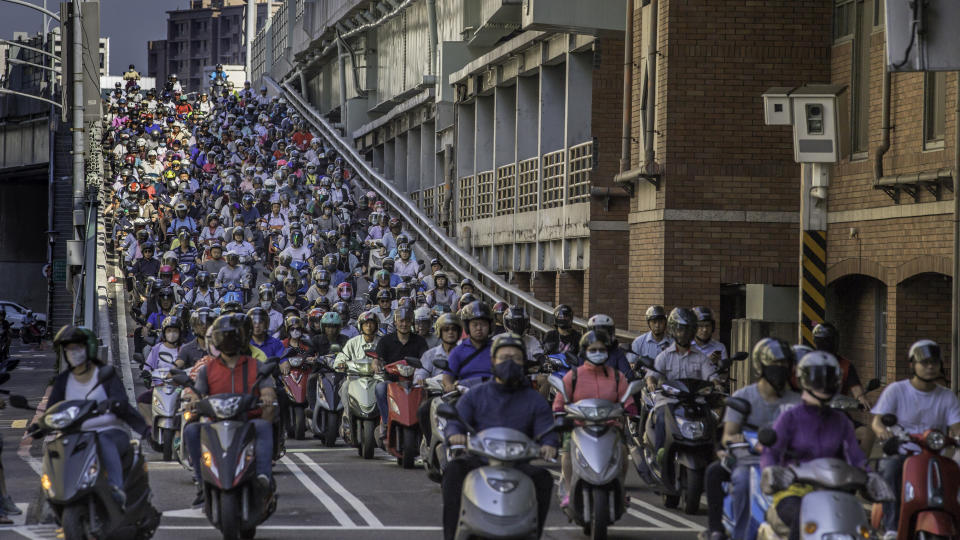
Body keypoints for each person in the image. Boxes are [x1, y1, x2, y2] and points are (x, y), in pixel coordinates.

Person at [442, 333, 558, 540]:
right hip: (480, 460)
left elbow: (547, 427)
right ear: (493, 361)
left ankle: (533, 533)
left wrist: (549, 445)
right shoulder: (475, 394)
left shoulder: (535, 400)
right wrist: (455, 435)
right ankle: (452, 535)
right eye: (504, 358)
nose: (510, 363)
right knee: (453, 471)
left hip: (518, 464)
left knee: (544, 479)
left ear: (524, 362)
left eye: (516, 358)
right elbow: (456, 420)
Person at [761, 351, 867, 540]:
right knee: (802, 518)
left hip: (834, 494)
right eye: (817, 378)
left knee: (862, 529)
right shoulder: (790, 417)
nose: (823, 384)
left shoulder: (841, 421)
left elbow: (856, 456)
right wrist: (771, 472)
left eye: (829, 378)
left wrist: (871, 476)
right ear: (803, 381)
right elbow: (772, 452)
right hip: (794, 493)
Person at [702, 338, 801, 540]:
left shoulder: (797, 401)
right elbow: (729, 434)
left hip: (786, 462)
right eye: (776, 364)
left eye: (785, 365)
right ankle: (718, 530)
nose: (780, 369)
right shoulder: (744, 396)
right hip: (749, 460)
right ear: (761, 366)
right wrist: (735, 440)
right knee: (728, 476)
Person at [47, 326, 153, 509]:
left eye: (77, 348)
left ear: (88, 348)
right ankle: (55, 494)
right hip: (75, 436)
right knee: (55, 450)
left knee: (101, 440)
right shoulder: (63, 381)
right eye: (69, 349)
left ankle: (115, 488)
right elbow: (51, 409)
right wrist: (41, 426)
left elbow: (122, 402)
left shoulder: (105, 375)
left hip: (109, 431)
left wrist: (113, 405)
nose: (74, 353)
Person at [182, 314, 277, 506]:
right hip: (216, 422)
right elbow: (196, 393)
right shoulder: (206, 370)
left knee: (264, 427)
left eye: (232, 336)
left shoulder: (256, 365)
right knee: (191, 430)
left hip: (247, 420)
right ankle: (201, 482)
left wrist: (267, 397)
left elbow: (268, 390)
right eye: (223, 337)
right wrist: (192, 401)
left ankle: (263, 477)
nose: (228, 341)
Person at [870, 339, 960, 540]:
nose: (929, 367)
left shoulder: (947, 397)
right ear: (912, 365)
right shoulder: (896, 390)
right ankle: (893, 528)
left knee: (956, 471)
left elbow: (956, 427)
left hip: (935, 454)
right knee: (891, 469)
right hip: (902, 452)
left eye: (934, 363)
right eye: (924, 362)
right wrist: (883, 433)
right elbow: (877, 422)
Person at [553, 330, 637, 508]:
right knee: (567, 453)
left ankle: (620, 490)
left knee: (622, 451)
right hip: (579, 426)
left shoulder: (616, 376)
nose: (598, 353)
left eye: (602, 349)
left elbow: (626, 396)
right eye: (593, 350)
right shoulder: (574, 375)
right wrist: (559, 410)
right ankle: (569, 491)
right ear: (584, 351)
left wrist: (630, 408)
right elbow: (561, 398)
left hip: (610, 426)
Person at [646, 307, 718, 459]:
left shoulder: (701, 357)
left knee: (712, 418)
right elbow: (652, 374)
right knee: (660, 415)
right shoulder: (664, 356)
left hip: (695, 401)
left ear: (692, 332)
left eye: (687, 330)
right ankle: (660, 452)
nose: (683, 334)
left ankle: (713, 453)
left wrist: (716, 383)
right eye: (680, 330)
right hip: (669, 399)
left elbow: (711, 375)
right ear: (673, 330)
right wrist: (651, 381)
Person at [374, 308, 429, 438]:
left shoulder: (420, 341)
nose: (404, 324)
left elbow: (426, 359)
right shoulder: (385, 341)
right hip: (392, 382)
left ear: (412, 322)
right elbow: (377, 359)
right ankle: (387, 422)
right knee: (380, 388)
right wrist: (376, 364)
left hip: (414, 382)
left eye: (408, 321)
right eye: (401, 321)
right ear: (395, 322)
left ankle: (425, 426)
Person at [415, 313, 463, 430]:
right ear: (439, 332)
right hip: (437, 395)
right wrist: (421, 379)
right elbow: (420, 373)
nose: (450, 332)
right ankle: (427, 441)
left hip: (461, 394)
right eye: (446, 330)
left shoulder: (465, 352)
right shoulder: (431, 354)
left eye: (453, 329)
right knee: (423, 410)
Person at [442, 301, 494, 392]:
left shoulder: (498, 349)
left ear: (490, 326)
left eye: (483, 324)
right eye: (475, 324)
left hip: (494, 393)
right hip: (465, 394)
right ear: (467, 327)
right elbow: (448, 375)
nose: (479, 328)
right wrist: (449, 386)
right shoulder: (458, 351)